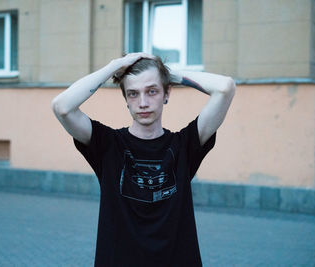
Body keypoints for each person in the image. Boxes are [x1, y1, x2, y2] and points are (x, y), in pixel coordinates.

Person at [51, 53, 235, 266]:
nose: (143, 103)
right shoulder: (108, 145)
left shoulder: (184, 145)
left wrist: (167, 74)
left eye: (152, 91)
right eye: (133, 94)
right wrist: (114, 66)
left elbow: (225, 87)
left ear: (167, 93)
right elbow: (62, 107)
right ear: (126, 100)